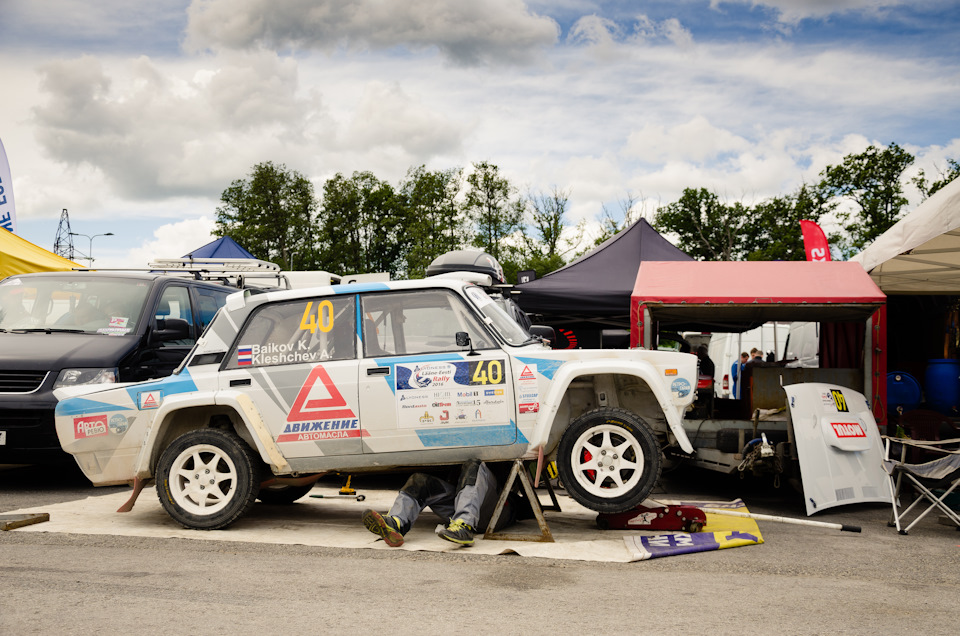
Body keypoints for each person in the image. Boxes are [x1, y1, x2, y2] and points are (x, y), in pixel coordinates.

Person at [362, 459, 517, 548]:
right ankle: (396, 523)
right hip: (461, 502)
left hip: (496, 509)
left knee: (474, 466)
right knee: (419, 481)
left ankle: (464, 527)